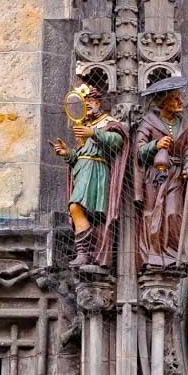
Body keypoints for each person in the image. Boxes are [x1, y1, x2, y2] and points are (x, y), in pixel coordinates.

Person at [50, 81, 129, 270]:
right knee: (77, 209)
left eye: (89, 102)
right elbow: (80, 155)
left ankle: (85, 252)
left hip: (96, 171)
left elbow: (117, 141)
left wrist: (93, 132)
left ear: (98, 103)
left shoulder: (108, 123)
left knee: (76, 207)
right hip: (82, 171)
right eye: (83, 104)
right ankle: (85, 253)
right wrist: (67, 154)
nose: (87, 106)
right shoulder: (84, 126)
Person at [134, 75, 188, 269]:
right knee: (154, 212)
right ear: (163, 102)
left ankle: (172, 253)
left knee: (173, 213)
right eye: (175, 98)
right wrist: (156, 145)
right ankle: (153, 254)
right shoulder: (149, 122)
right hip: (155, 175)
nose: (180, 102)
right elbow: (139, 150)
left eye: (179, 97)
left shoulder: (183, 124)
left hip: (176, 175)